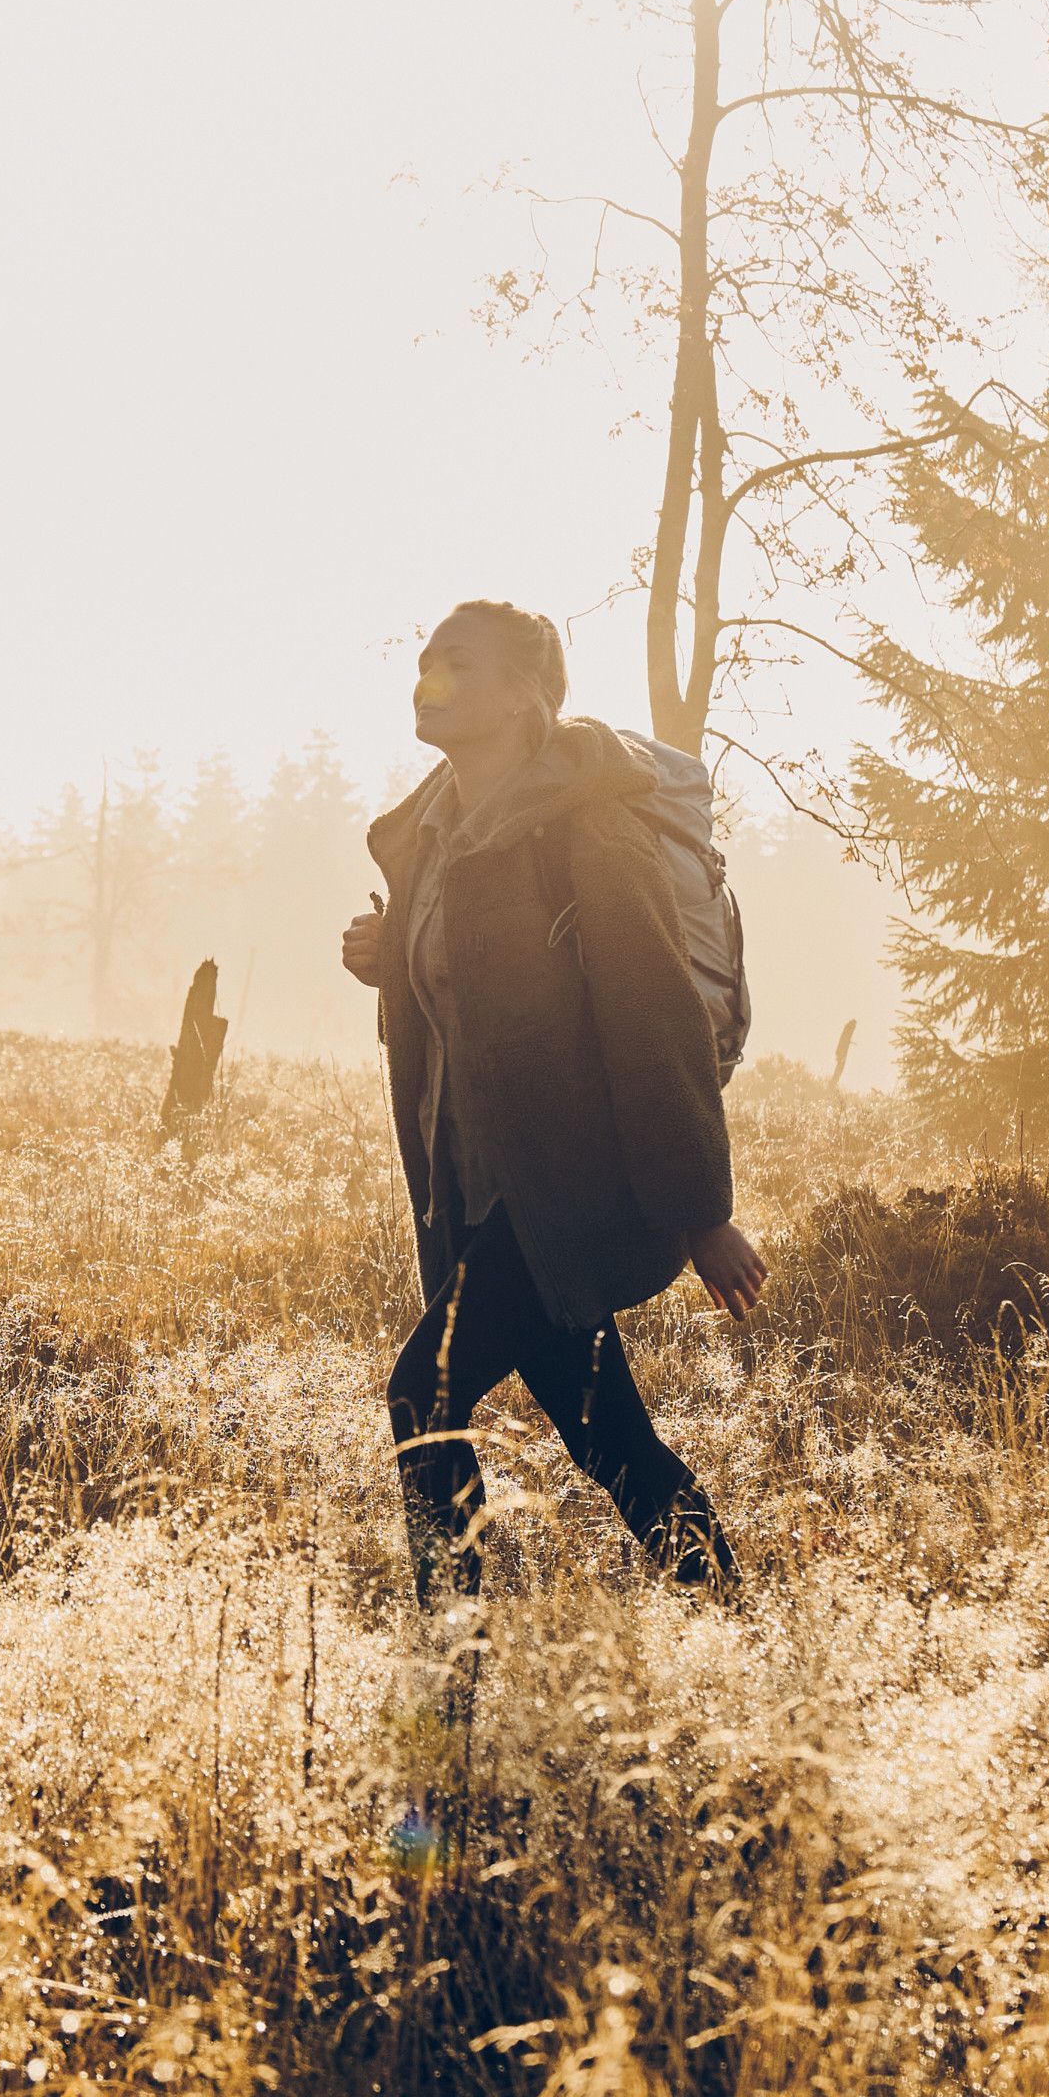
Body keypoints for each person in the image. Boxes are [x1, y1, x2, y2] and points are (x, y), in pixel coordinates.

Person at [337, 600, 766, 1592]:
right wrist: (388, 964)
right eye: (424, 660)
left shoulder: (587, 834)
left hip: (568, 1194)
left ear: (526, 697)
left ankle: (453, 1667)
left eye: (458, 665)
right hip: (476, 1193)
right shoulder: (431, 836)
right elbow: (476, 997)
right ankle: (733, 1613)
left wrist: (702, 1215)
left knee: (421, 1395)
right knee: (607, 1437)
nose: (428, 680)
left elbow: (651, 1021)